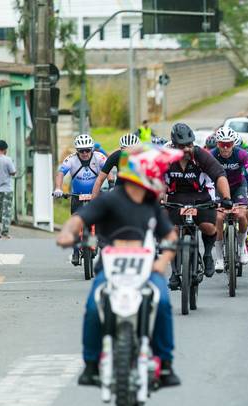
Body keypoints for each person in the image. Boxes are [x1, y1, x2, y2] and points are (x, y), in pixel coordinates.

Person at [56, 144, 182, 388]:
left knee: (163, 303)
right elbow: (79, 219)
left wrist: (162, 261)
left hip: (146, 269)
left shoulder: (151, 204)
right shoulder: (110, 200)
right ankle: (91, 364)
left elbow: (170, 236)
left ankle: (165, 363)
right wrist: (67, 232)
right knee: (93, 307)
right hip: (111, 268)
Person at [164, 122, 231, 287]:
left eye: (189, 145)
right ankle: (174, 272)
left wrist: (226, 197)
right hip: (175, 198)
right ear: (174, 145)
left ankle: (207, 254)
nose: (187, 149)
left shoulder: (200, 155)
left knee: (208, 227)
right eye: (182, 146)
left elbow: (219, 175)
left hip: (200, 197)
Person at [211, 127, 248, 268]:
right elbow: (206, 178)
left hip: (238, 187)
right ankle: (219, 258)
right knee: (218, 218)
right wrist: (209, 198)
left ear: (233, 144)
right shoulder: (212, 155)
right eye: (222, 144)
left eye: (228, 144)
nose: (225, 147)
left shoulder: (241, 154)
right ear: (217, 144)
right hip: (219, 189)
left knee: (242, 215)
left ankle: (242, 248)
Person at [53, 134, 108, 265]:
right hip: (77, 196)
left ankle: (99, 241)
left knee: (101, 219)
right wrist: (58, 188)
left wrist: (111, 184)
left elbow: (109, 171)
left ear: (92, 149)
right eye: (81, 151)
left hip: (95, 194)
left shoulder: (99, 157)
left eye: (87, 150)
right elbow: (60, 173)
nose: (84, 153)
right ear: (77, 151)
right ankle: (76, 251)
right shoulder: (71, 159)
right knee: (75, 223)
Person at [90, 133, 140, 198]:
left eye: (132, 150)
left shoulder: (144, 157)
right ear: (121, 149)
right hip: (120, 189)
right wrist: (93, 201)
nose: (128, 153)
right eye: (125, 150)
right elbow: (100, 179)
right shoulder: (116, 156)